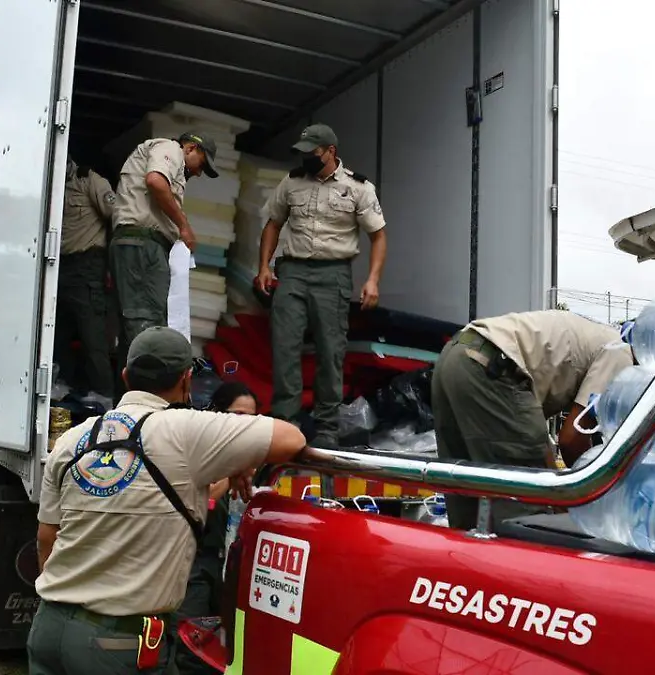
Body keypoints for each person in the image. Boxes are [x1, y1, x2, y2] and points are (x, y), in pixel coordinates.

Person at [28, 327, 306, 675]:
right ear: (187, 380)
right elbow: (291, 439)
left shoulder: (73, 439)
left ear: (126, 375)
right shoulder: (187, 430)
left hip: (48, 628)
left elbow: (46, 540)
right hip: (118, 644)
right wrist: (240, 457)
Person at [430, 310, 634, 530]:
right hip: (492, 367)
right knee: (528, 512)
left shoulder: (601, 334)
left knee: (466, 498)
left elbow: (538, 439)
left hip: (456, 354)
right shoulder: (622, 353)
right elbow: (571, 439)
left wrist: (558, 492)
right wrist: (588, 496)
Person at [255, 123, 388, 449]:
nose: (307, 159)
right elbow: (273, 224)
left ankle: (327, 428)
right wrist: (264, 266)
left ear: (331, 151)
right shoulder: (292, 182)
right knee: (285, 347)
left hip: (333, 276)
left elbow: (378, 236)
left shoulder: (358, 188)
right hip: (294, 272)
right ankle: (285, 423)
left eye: (313, 153)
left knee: (331, 352)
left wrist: (372, 280)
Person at [110, 133, 219, 357]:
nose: (199, 173)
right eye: (202, 165)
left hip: (141, 244)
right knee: (146, 323)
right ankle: (147, 388)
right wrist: (184, 226)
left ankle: (131, 388)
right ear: (190, 149)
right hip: (142, 244)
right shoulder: (170, 148)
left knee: (138, 324)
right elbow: (155, 181)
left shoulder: (172, 157)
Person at [175, 381, 259, 675]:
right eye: (237, 415)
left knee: (220, 644)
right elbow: (205, 498)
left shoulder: (253, 459)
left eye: (252, 419)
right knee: (189, 644)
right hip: (194, 563)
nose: (244, 426)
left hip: (227, 565)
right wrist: (231, 470)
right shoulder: (200, 452)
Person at [56, 157, 116, 410]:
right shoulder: (53, 185)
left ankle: (104, 393)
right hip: (60, 266)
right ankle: (62, 384)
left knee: (92, 332)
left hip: (88, 263)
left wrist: (112, 265)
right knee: (57, 332)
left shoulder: (91, 181)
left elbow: (117, 216)